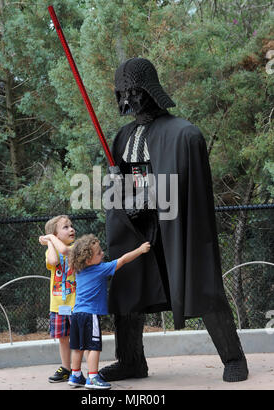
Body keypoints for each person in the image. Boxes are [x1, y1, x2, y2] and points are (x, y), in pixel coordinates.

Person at [99, 57, 249, 383]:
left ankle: (234, 358)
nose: (127, 99)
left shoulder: (184, 134)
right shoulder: (123, 137)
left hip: (176, 223)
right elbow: (118, 189)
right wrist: (119, 193)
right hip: (136, 225)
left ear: (150, 91)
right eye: (121, 92)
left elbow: (190, 190)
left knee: (201, 283)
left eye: (133, 91)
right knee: (128, 285)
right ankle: (131, 361)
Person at [67, 234, 150, 389]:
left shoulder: (78, 271)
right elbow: (123, 260)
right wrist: (140, 249)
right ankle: (92, 378)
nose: (102, 254)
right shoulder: (100, 269)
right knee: (93, 347)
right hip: (90, 315)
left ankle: (75, 374)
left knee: (78, 347)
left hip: (76, 314)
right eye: (98, 253)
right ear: (88, 260)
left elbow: (68, 252)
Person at [39, 215, 76, 383]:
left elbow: (63, 252)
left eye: (71, 226)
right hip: (58, 305)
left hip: (76, 303)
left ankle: (78, 370)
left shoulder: (76, 247)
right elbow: (53, 260)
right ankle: (66, 368)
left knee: (78, 337)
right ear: (55, 234)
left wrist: (50, 238)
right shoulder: (50, 250)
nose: (71, 229)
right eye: (66, 227)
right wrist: (50, 243)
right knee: (63, 338)